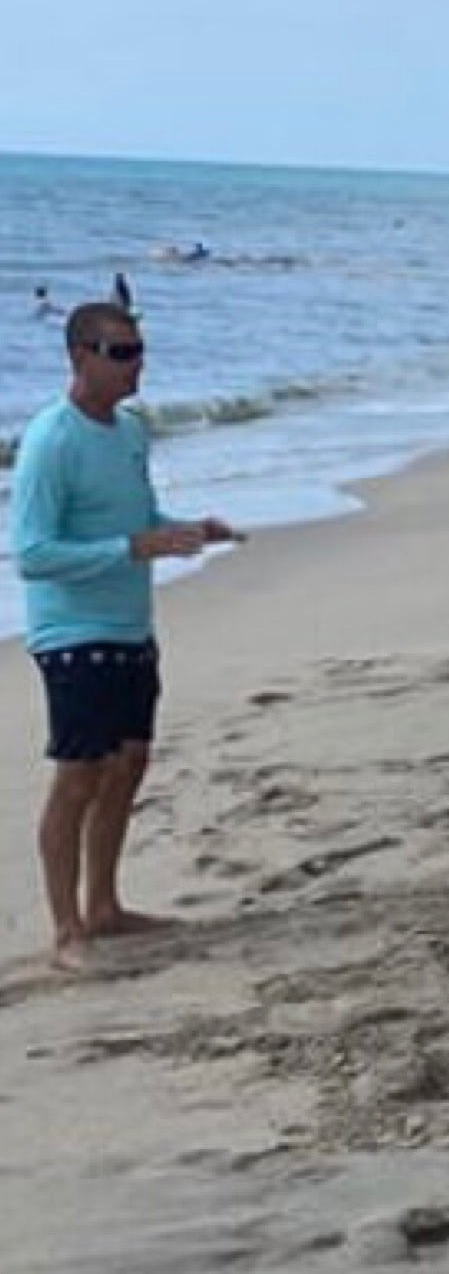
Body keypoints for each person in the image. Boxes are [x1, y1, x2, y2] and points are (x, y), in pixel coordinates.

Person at [8, 302, 243, 972]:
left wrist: (188, 529)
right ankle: (66, 932)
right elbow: (32, 553)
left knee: (131, 761)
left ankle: (105, 907)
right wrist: (134, 546)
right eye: (120, 352)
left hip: (131, 623)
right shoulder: (51, 439)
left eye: (139, 349)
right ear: (80, 357)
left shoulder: (131, 431)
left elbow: (139, 519)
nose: (135, 363)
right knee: (80, 773)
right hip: (72, 631)